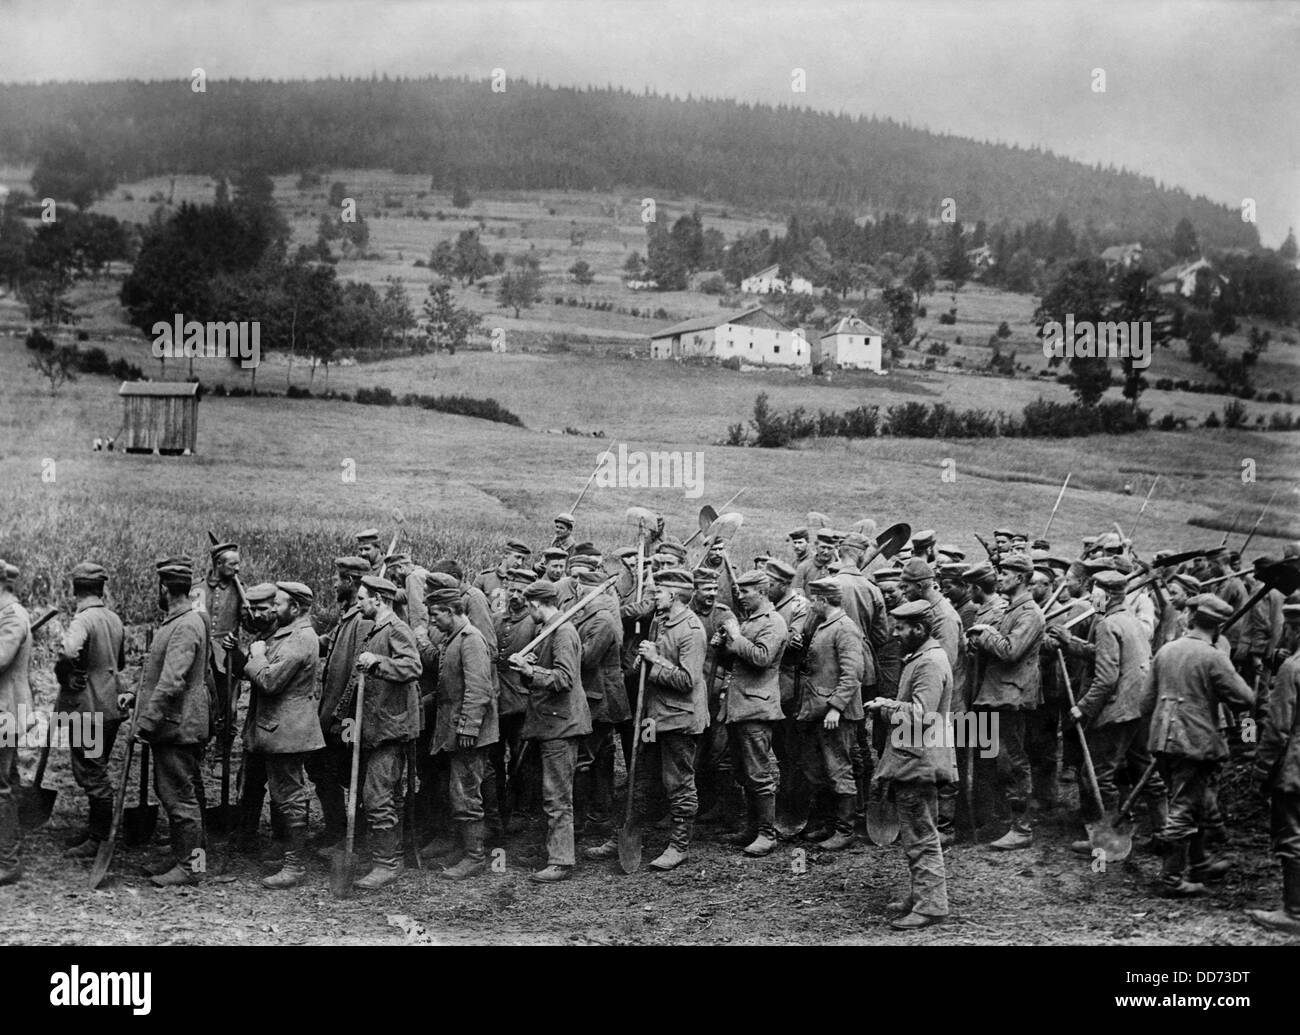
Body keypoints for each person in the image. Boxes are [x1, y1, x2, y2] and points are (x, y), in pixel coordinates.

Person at [590, 568, 707, 871]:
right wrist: (641, 661)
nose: (653, 597)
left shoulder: (691, 630)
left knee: (678, 781)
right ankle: (626, 830)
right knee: (640, 774)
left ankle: (679, 845)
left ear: (675, 595)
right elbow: (647, 666)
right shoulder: (658, 622)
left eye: (659, 592)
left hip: (680, 720)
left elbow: (687, 680)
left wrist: (655, 662)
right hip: (653, 719)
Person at [1147, 594, 1254, 896]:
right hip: (1194, 742)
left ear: (1192, 618)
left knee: (1193, 801)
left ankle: (1200, 863)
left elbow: (1146, 700)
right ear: (1218, 626)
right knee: (1183, 808)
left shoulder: (1166, 650)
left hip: (1163, 739)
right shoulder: (1213, 656)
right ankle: (1171, 880)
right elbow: (1245, 699)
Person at [1060, 570, 1165, 856]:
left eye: (1095, 593)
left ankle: (1109, 842)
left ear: (1106, 595)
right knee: (1145, 769)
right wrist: (1070, 643)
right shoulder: (1130, 620)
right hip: (1141, 706)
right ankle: (1164, 833)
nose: (1092, 598)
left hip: (1118, 709)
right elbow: (1107, 655)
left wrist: (1082, 708)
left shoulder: (1107, 624)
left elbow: (1106, 677)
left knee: (1097, 774)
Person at [868, 598, 955, 930]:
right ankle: (922, 895)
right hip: (916, 758)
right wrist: (889, 701)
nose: (895, 632)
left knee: (920, 834)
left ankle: (931, 905)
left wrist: (885, 710)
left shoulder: (929, 663)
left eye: (902, 627)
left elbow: (922, 716)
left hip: (918, 761)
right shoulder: (924, 656)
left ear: (919, 629)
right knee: (918, 831)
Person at [132, 557, 211, 887]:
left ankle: (192, 867)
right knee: (178, 794)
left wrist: (146, 721)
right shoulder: (177, 621)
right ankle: (191, 859)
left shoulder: (185, 625)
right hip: (177, 721)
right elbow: (159, 677)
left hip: (179, 723)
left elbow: (172, 681)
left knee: (180, 798)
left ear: (164, 588)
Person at [241, 582, 325, 889]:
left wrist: (257, 655)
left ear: (296, 608)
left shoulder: (300, 639)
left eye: (278, 604)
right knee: (285, 794)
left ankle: (295, 866)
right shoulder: (288, 634)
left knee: (290, 797)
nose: (273, 609)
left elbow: (269, 681)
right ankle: (289, 857)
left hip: (287, 730)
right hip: (279, 727)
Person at [511, 579, 591, 882]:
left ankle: (561, 860)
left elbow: (564, 679)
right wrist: (529, 669)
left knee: (557, 794)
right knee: (549, 791)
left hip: (562, 724)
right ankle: (552, 849)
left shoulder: (563, 632)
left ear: (534, 604)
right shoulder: (544, 631)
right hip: (547, 722)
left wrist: (532, 671)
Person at [349, 576, 422, 890]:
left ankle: (387, 864)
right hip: (376, 725)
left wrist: (378, 661)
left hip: (392, 728)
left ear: (378, 599)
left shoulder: (396, 629)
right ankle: (391, 855)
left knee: (377, 797)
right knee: (383, 796)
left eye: (363, 598)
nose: (358, 603)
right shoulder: (375, 629)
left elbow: (412, 668)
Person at [967, 554, 1045, 850]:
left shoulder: (1029, 614)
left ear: (1021, 578)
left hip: (1011, 696)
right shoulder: (1013, 609)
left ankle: (1021, 828)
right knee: (993, 760)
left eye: (1005, 573)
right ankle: (998, 821)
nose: (999, 578)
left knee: (1013, 761)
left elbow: (1011, 650)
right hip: (996, 694)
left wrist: (984, 633)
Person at [420, 586, 498, 881]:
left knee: (466, 794)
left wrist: (468, 727)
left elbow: (479, 689)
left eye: (435, 615)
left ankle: (476, 857)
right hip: (453, 730)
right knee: (457, 791)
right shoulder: (455, 639)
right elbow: (447, 688)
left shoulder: (471, 640)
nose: (433, 622)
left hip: (468, 733)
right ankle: (465, 848)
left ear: (451, 612)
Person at [56, 562, 126, 859]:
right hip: (110, 706)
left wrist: (67, 671)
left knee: (91, 771)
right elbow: (120, 663)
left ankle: (99, 838)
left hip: (86, 708)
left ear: (75, 589)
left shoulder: (82, 620)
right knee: (96, 764)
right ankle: (96, 831)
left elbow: (69, 651)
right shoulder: (114, 619)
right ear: (101, 589)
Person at [717, 569, 786, 856]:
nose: (740, 596)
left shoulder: (774, 622)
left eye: (745, 592)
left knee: (759, 773)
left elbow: (761, 658)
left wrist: (735, 635)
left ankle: (767, 834)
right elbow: (734, 660)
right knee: (743, 770)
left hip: (757, 707)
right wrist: (723, 645)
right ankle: (753, 827)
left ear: (762, 590)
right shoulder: (751, 621)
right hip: (739, 706)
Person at [307, 557, 372, 854]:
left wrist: (342, 716)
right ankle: (336, 828)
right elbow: (327, 643)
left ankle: (352, 836)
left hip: (347, 718)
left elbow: (359, 673)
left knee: (348, 772)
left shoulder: (363, 619)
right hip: (331, 713)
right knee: (325, 769)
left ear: (350, 581)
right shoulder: (347, 614)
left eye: (337, 579)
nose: (333, 584)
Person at [796, 577, 865, 851]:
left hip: (836, 714)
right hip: (817, 710)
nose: (812, 604)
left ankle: (845, 830)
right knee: (818, 770)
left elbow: (853, 674)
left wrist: (836, 706)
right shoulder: (826, 625)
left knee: (839, 768)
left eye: (815, 599)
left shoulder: (846, 628)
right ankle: (827, 823)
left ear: (823, 600)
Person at [1248, 626, 1300, 932]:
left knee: (1292, 835)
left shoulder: (1292, 667)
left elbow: (1277, 727)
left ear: (1295, 629)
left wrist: (1262, 770)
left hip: (1295, 765)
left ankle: (1294, 912)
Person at [573, 568, 626, 837]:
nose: (576, 591)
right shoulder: (590, 616)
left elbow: (587, 658)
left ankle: (581, 822)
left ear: (586, 590)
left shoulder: (602, 620)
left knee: (585, 759)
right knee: (601, 758)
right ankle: (600, 816)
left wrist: (565, 648)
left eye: (579, 587)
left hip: (601, 700)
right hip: (599, 697)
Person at [0, 559, 32, 886]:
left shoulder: (11, 617)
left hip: (5, 711)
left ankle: (8, 861)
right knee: (5, 781)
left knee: (1, 788)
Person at [474, 540, 532, 616]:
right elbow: (473, 606)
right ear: (505, 554)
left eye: (523, 559)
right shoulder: (484, 578)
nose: (520, 563)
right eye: (517, 557)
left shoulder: (524, 581)